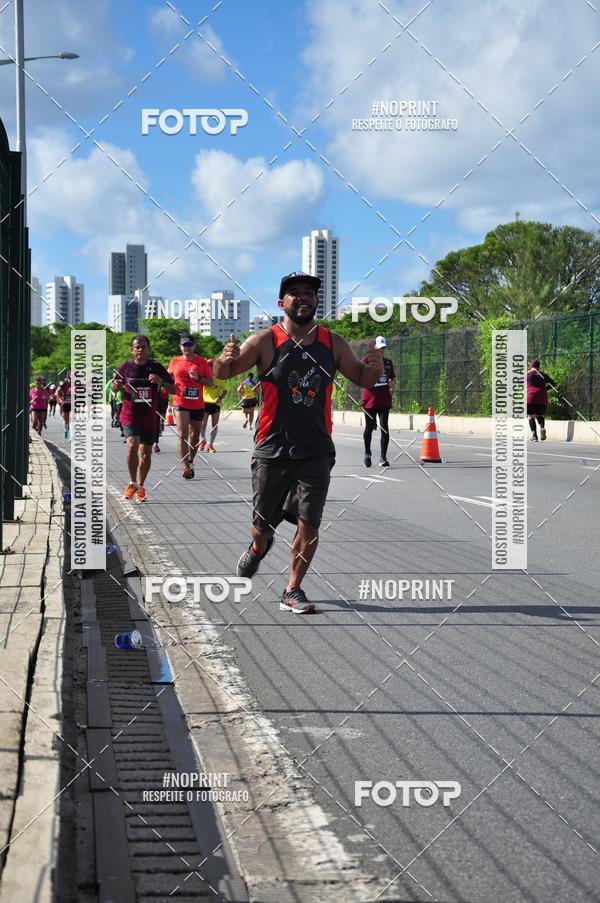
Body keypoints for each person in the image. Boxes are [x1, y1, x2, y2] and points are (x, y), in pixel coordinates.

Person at [213, 271, 384, 615]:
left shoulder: (332, 342)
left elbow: (362, 377)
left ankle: (293, 588)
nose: (302, 297)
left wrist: (376, 362)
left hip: (316, 449)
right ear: (281, 303)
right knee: (262, 526)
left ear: (317, 301)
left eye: (309, 292)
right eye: (294, 293)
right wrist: (223, 358)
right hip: (271, 449)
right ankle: (259, 547)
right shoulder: (264, 341)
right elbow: (223, 373)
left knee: (310, 522)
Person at [112, 335, 176, 503]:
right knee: (132, 444)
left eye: (143, 347)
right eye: (137, 347)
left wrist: (161, 381)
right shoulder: (125, 367)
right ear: (132, 349)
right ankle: (132, 482)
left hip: (149, 417)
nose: (140, 350)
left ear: (148, 349)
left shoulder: (156, 367)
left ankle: (141, 486)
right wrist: (115, 386)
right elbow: (114, 386)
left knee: (146, 454)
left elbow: (174, 389)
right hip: (129, 414)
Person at [168, 335, 213, 478]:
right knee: (183, 434)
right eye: (184, 345)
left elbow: (210, 382)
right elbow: (168, 379)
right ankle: (185, 466)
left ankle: (191, 461)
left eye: (189, 344)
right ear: (180, 347)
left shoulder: (202, 362)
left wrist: (198, 378)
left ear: (194, 346)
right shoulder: (174, 361)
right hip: (180, 403)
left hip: (197, 404)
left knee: (194, 437)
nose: (187, 347)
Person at [361, 335, 395, 468]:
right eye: (379, 348)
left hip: (384, 400)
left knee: (384, 428)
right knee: (369, 428)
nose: (381, 351)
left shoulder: (388, 363)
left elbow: (392, 379)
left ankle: (383, 458)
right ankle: (367, 453)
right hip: (369, 400)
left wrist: (392, 383)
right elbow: (359, 377)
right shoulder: (366, 361)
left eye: (383, 348)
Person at [199, 359, 227, 452]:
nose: (210, 367)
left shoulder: (219, 378)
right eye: (208, 365)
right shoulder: (203, 377)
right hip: (204, 403)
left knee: (214, 426)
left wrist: (219, 398)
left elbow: (225, 391)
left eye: (211, 365)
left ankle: (210, 445)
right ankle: (203, 441)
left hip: (215, 404)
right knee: (203, 424)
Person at [527, 358, 556, 441]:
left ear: (531, 366)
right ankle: (542, 427)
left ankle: (534, 436)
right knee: (540, 415)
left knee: (530, 416)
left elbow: (518, 381)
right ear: (539, 366)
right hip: (542, 397)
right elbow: (553, 384)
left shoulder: (528, 374)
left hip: (530, 397)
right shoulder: (542, 374)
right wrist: (544, 389)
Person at [154, 384, 169, 452]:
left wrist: (163, 386)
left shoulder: (163, 375)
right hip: (151, 400)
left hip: (162, 400)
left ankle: (155, 444)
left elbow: (169, 386)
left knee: (157, 421)